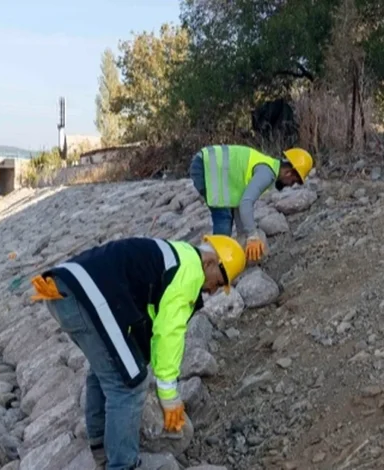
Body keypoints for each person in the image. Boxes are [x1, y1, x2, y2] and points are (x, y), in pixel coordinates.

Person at [30, 235, 246, 470]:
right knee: (128, 384)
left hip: (65, 289)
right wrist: (168, 393)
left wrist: (141, 357)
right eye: (220, 280)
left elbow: (151, 316)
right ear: (210, 263)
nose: (214, 290)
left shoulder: (178, 255)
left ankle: (102, 450)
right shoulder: (190, 273)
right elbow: (168, 331)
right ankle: (122, 465)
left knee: (109, 372)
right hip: (87, 296)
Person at [189, 145, 314, 262]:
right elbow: (246, 203)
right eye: (293, 181)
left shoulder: (266, 166)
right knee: (223, 218)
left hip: (207, 163)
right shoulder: (267, 174)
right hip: (205, 166)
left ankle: (214, 262)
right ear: (289, 172)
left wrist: (243, 234)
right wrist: (252, 236)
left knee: (225, 217)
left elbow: (238, 202)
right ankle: (211, 264)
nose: (291, 185)